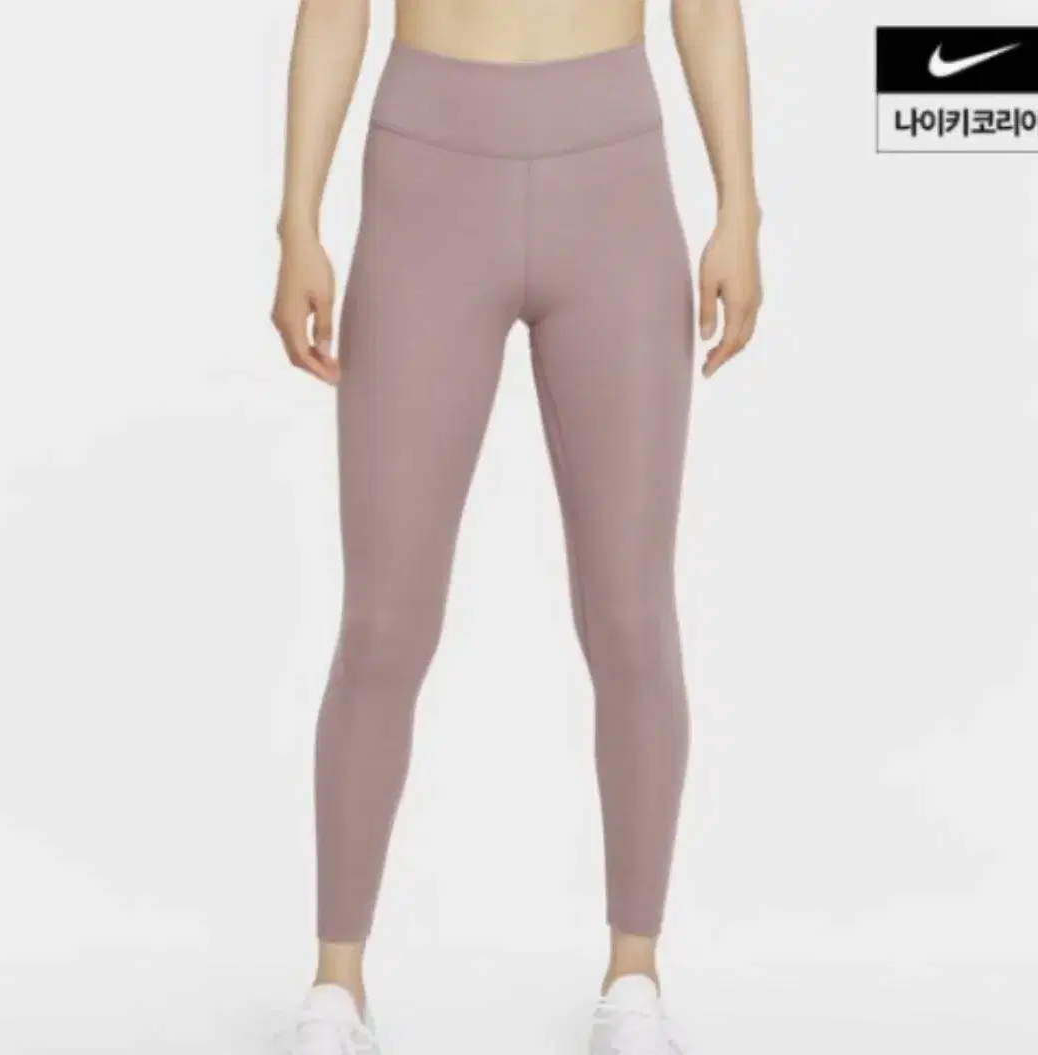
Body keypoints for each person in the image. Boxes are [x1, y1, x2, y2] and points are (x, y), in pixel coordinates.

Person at [271, 0, 762, 1051]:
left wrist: (740, 207)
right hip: (423, 182)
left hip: (614, 184)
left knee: (630, 612)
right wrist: (296, 222)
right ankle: (336, 981)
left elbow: (706, 7)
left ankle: (634, 972)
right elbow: (333, 7)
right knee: (384, 618)